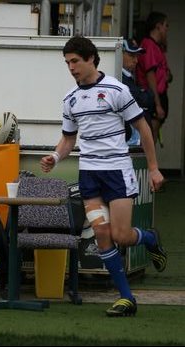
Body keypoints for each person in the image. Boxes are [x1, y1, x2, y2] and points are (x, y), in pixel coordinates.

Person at [40, 36, 167, 317]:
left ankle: (148, 238)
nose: (71, 67)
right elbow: (68, 139)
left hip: (117, 173)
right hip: (90, 176)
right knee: (101, 234)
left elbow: (144, 128)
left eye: (75, 61)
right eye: (67, 62)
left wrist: (154, 167)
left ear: (90, 59)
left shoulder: (116, 90)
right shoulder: (70, 99)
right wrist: (56, 156)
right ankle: (126, 298)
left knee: (121, 235)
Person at [136, 11, 172, 145]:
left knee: (154, 134)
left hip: (160, 95)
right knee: (150, 135)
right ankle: (149, 165)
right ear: (158, 26)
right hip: (152, 96)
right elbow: (150, 74)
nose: (167, 30)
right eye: (165, 26)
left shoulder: (158, 47)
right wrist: (157, 104)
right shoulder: (149, 45)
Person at [122, 38, 155, 145]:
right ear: (120, 54)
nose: (136, 60)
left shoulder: (128, 77)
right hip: (129, 143)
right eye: (132, 56)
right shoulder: (121, 79)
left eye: (137, 56)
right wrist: (147, 94)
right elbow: (145, 100)